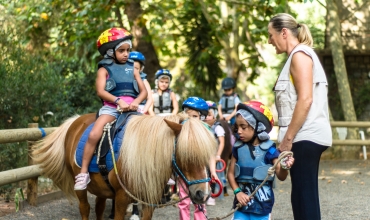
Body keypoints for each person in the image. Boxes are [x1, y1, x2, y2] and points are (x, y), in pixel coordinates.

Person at [268, 13, 332, 220]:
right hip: (302, 136)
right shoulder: (296, 56)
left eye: (271, 35)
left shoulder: (299, 55)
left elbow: (305, 100)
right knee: (301, 199)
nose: (269, 40)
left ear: (284, 32)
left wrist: (287, 140)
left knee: (305, 200)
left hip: (304, 137)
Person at [74, 27, 147, 190]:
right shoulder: (104, 69)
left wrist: (136, 102)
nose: (126, 54)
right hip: (112, 109)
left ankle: (164, 171)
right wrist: (118, 100)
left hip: (133, 110)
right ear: (109, 52)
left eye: (128, 50)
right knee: (94, 134)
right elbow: (100, 91)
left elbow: (144, 91)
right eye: (121, 51)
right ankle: (84, 172)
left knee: (153, 133)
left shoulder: (133, 68)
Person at [227, 101, 294, 220]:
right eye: (237, 128)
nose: (239, 131)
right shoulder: (237, 148)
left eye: (244, 127)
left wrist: (284, 167)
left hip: (262, 208)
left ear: (258, 127)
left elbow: (281, 176)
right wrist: (238, 192)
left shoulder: (270, 150)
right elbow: (230, 174)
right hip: (241, 206)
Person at [178, 97, 218, 220]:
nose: (192, 120)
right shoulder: (181, 130)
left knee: (200, 200)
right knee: (183, 200)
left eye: (195, 116)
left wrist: (213, 171)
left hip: (201, 171)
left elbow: (211, 154)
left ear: (201, 117)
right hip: (185, 172)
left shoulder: (206, 131)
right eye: (189, 116)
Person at [204, 100, 226, 206]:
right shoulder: (201, 127)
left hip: (213, 155)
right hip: (203, 155)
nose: (206, 117)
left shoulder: (217, 127)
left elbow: (221, 142)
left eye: (209, 115)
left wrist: (218, 155)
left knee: (212, 175)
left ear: (214, 115)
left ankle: (212, 194)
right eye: (205, 115)